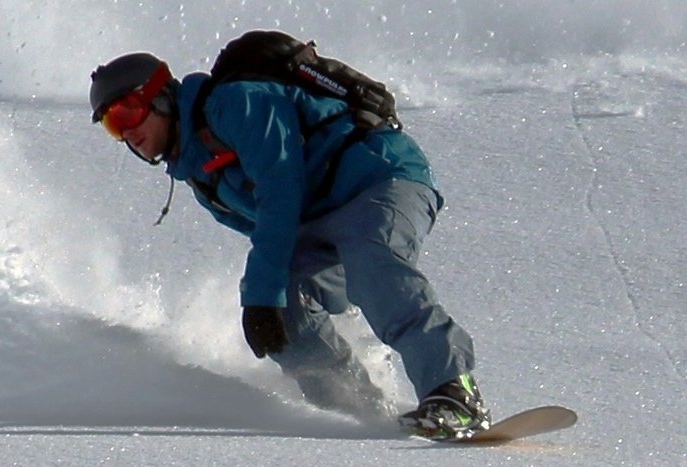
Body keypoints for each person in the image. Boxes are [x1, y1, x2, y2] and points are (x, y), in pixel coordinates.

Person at [87, 50, 488, 437]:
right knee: (284, 310)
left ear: (160, 98)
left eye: (126, 113)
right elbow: (272, 236)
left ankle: (454, 392)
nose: (126, 133)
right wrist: (274, 299)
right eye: (111, 126)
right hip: (319, 221)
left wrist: (261, 294)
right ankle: (359, 409)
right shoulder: (201, 178)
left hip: (378, 179)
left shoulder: (235, 103)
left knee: (370, 259)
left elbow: (279, 191)